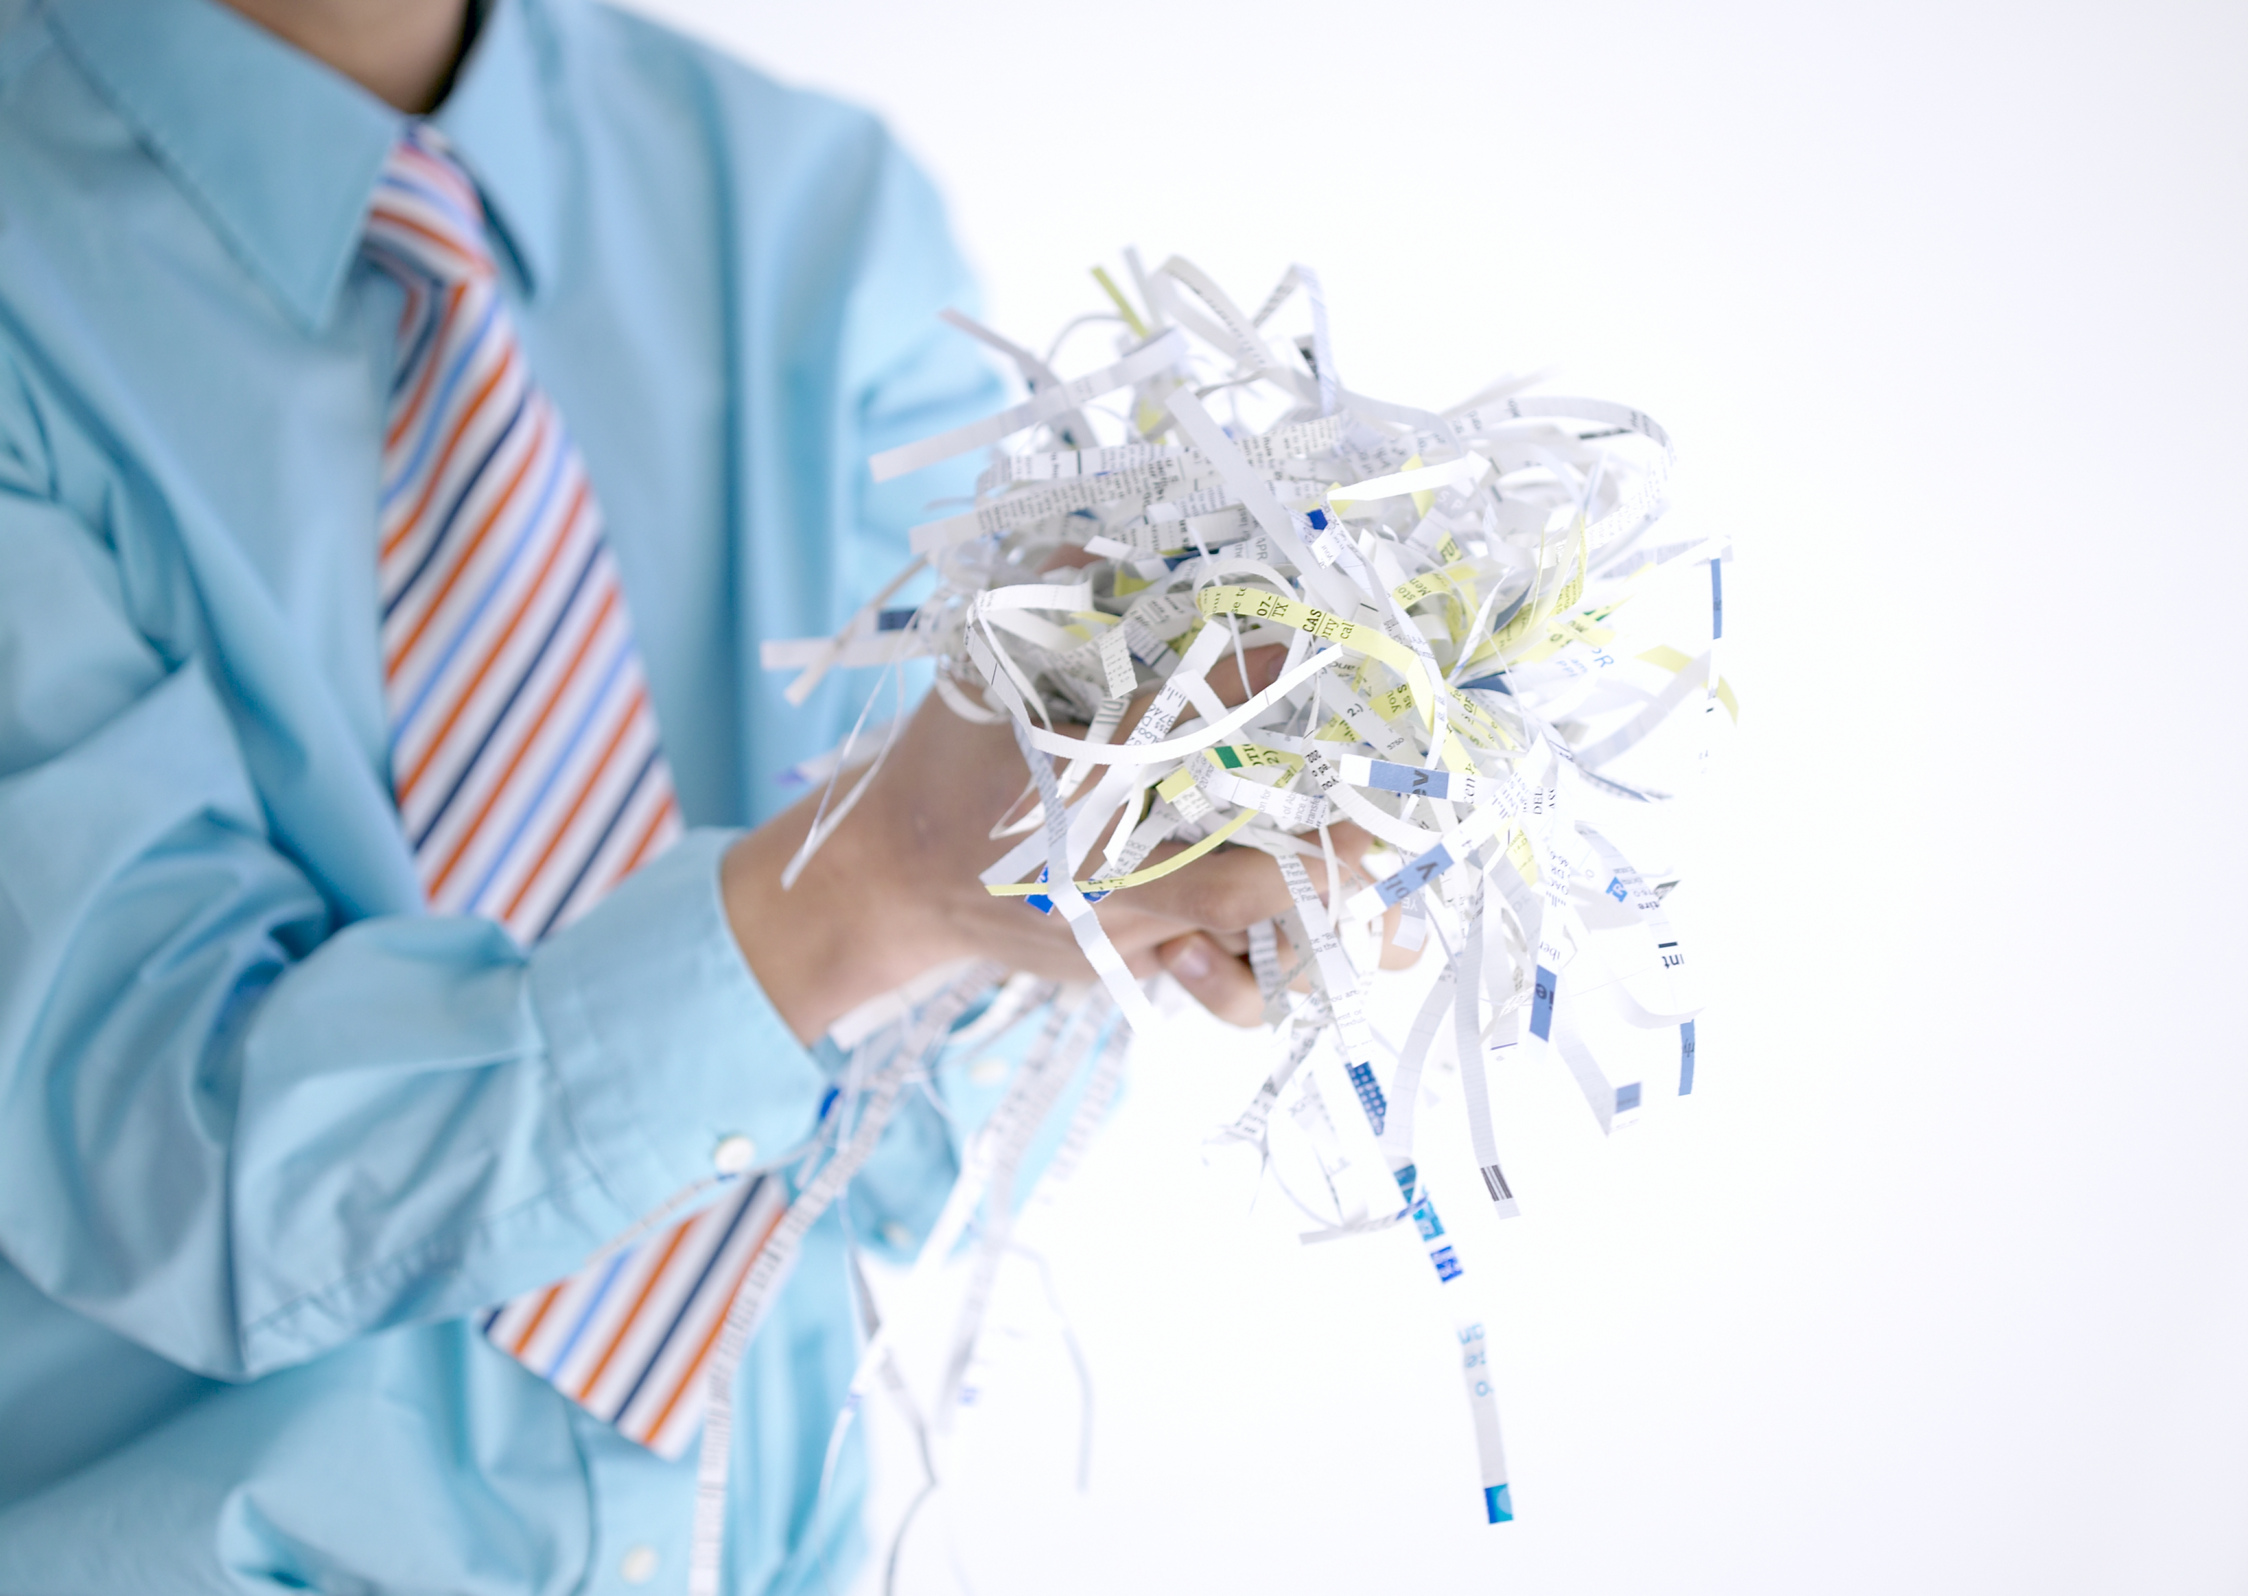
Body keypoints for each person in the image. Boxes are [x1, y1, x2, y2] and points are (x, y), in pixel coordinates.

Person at [0, 0, 1369, 1588]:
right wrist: (863, 893)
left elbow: (923, 1137)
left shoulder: (811, 209)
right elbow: (152, 1144)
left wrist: (1165, 866)